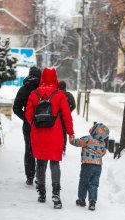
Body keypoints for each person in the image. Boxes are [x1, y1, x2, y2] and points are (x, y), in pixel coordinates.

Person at [25, 68, 74, 209]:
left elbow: (28, 115)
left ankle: (41, 193)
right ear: (55, 78)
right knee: (54, 164)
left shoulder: (34, 94)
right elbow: (66, 115)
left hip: (39, 134)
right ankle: (56, 194)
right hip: (55, 134)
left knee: (40, 163)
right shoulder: (59, 94)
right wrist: (70, 133)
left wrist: (35, 125)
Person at [69, 122, 109, 211]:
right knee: (94, 184)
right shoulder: (102, 143)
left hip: (87, 165)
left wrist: (71, 138)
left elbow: (77, 142)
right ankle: (92, 202)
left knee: (84, 181)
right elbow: (103, 152)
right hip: (98, 166)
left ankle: (81, 199)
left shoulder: (87, 139)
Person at [12, 66, 41, 185]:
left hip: (28, 125)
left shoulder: (24, 89)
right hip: (42, 124)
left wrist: (27, 118)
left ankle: (29, 176)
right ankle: (40, 176)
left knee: (29, 149)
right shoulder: (43, 88)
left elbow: (16, 108)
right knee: (41, 150)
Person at [58, 81, 76, 154]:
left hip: (57, 117)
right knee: (64, 133)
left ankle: (57, 147)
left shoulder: (56, 94)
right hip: (65, 117)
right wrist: (68, 111)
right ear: (65, 87)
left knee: (56, 132)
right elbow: (74, 105)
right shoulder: (69, 95)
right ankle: (63, 149)